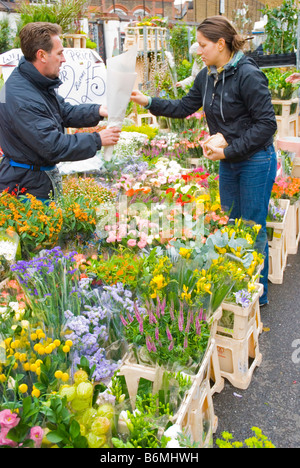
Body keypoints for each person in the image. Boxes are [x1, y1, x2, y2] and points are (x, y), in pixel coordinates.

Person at [131, 16, 277, 307]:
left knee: (252, 227)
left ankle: (255, 295)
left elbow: (266, 125)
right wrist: (148, 101)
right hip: (230, 159)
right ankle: (237, 285)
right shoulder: (207, 74)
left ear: (221, 44)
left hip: (256, 160)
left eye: (202, 45)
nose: (199, 51)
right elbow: (185, 106)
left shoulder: (248, 75)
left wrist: (227, 149)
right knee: (231, 226)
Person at [0, 22, 121, 201]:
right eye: (59, 53)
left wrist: (99, 111)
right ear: (41, 55)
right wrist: (97, 139)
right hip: (25, 188)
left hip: (35, 179)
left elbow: (63, 111)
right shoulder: (22, 99)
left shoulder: (33, 82)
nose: (64, 59)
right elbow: (52, 146)